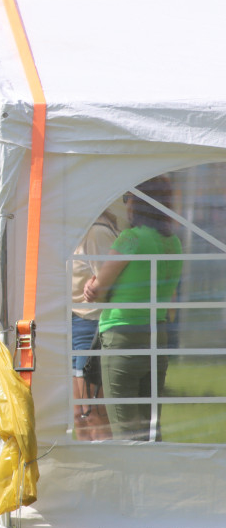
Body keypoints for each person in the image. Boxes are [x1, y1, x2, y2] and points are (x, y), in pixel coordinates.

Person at [83, 176, 181, 441]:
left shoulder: (130, 239)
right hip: (157, 333)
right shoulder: (174, 244)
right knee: (151, 424)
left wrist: (94, 283)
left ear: (138, 203)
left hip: (122, 335)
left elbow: (99, 291)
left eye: (128, 198)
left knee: (125, 425)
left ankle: (133, 480)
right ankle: (154, 478)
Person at [70, 208, 118, 441]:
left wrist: (97, 285)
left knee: (93, 413)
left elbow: (111, 284)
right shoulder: (80, 229)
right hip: (76, 322)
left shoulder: (97, 231)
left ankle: (104, 473)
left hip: (91, 325)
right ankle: (86, 472)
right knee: (79, 413)